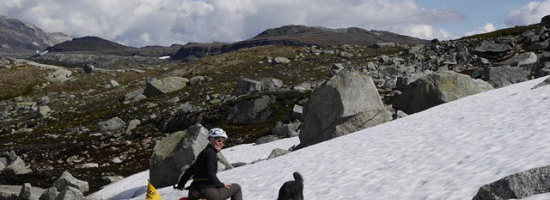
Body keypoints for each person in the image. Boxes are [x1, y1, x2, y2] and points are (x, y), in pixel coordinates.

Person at [175, 128, 243, 200]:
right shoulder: (211, 154)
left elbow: (189, 171)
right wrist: (221, 185)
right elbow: (210, 174)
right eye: (219, 140)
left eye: (223, 142)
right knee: (237, 188)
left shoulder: (203, 154)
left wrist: (181, 185)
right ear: (211, 140)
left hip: (193, 192)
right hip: (208, 192)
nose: (221, 144)